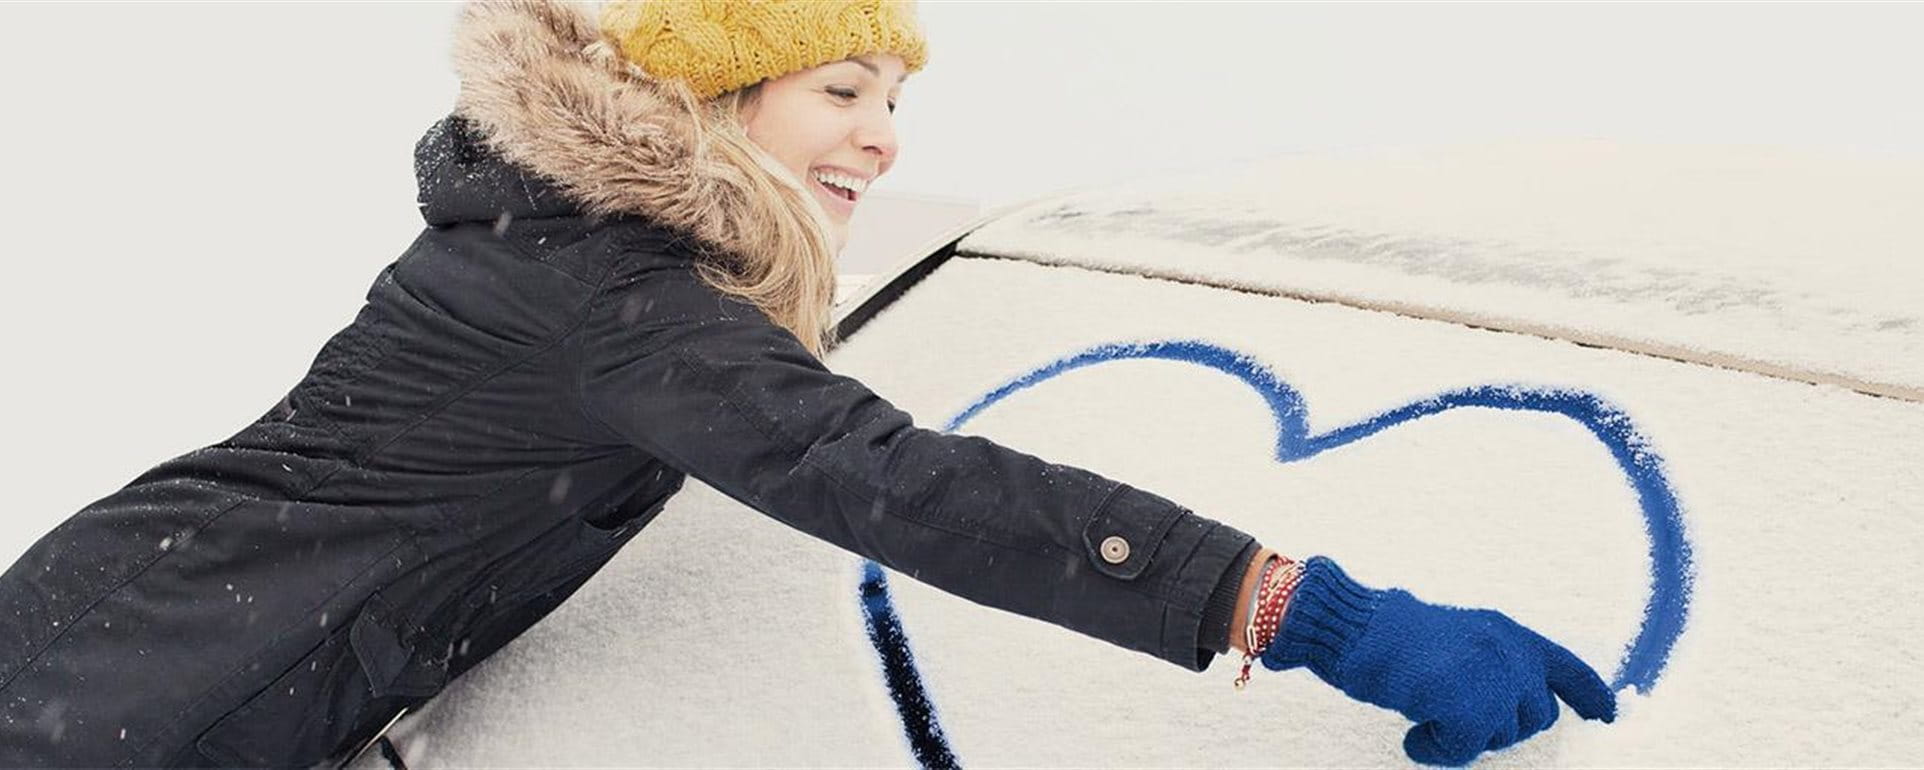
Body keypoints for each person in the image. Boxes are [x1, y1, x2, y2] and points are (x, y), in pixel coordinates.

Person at [0, 0, 1617, 766]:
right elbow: (901, 486)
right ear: (712, 104)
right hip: (103, 714)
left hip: (116, 657)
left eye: (896, 96)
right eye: (843, 88)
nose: (885, 133)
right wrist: (1309, 613)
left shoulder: (566, 250)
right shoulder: (607, 297)